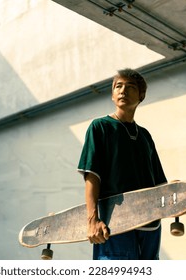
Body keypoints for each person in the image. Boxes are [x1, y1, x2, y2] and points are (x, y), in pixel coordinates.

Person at [77, 68, 167, 260]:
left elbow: (159, 183)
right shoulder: (100, 127)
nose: (123, 91)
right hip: (115, 224)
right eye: (118, 86)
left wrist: (178, 198)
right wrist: (92, 220)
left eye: (130, 87)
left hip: (151, 225)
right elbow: (92, 176)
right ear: (112, 95)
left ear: (141, 96)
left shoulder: (145, 136)